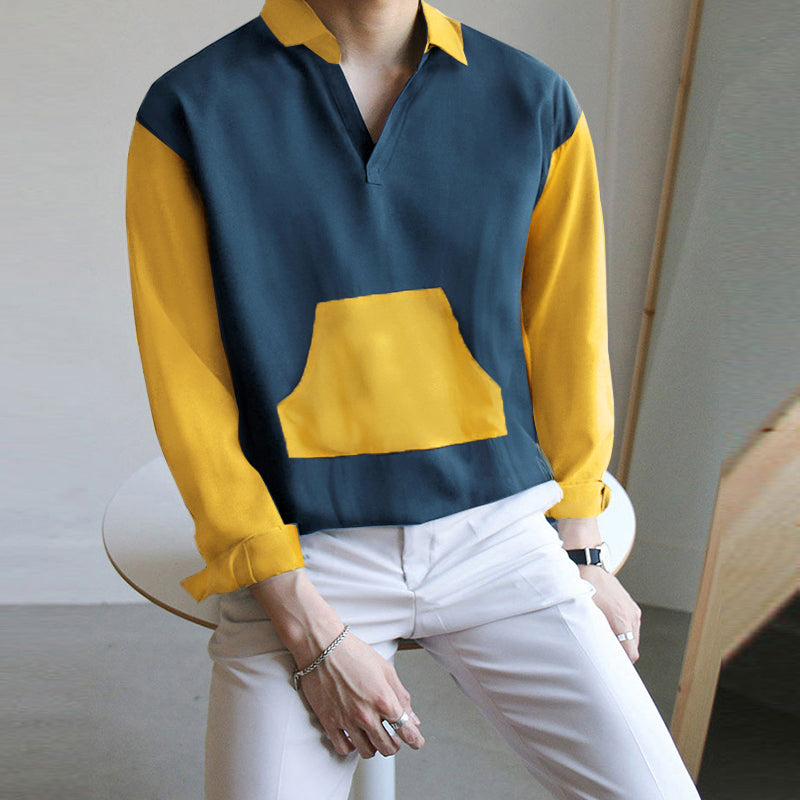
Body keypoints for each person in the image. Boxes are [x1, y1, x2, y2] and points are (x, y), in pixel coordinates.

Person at [125, 1, 702, 798]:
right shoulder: (192, 109)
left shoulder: (532, 99)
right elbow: (187, 376)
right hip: (306, 553)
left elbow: (570, 338)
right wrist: (300, 617)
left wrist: (581, 549)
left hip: (498, 536)